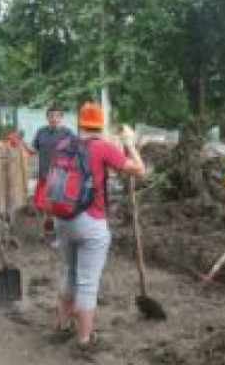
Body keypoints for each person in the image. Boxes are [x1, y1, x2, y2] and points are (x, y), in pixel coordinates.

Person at [49, 102, 144, 359]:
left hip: (62, 218)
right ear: (100, 125)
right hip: (90, 222)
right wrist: (130, 143)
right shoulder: (102, 147)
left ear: (79, 123)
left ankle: (62, 325)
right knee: (87, 283)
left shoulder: (63, 144)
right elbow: (139, 171)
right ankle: (84, 339)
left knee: (70, 273)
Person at [32, 106, 74, 213]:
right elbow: (33, 150)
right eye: (51, 116)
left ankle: (56, 220)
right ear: (47, 118)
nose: (54, 119)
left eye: (57, 116)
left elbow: (75, 152)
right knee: (40, 205)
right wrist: (20, 143)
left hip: (60, 175)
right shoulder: (41, 132)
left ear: (61, 118)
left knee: (58, 203)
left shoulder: (68, 133)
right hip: (44, 172)